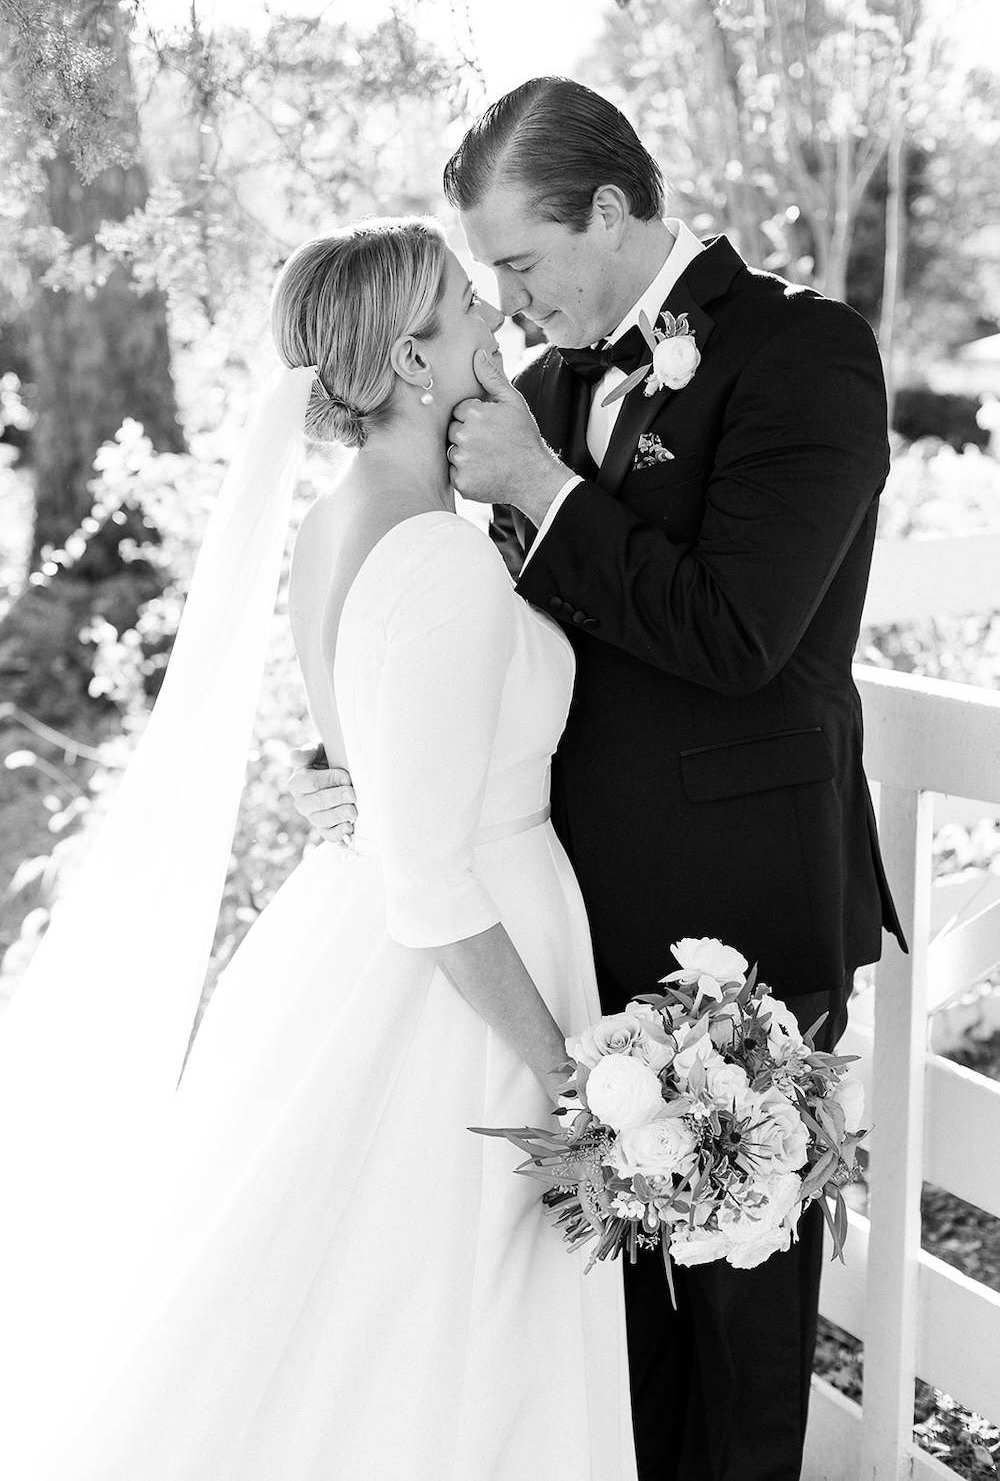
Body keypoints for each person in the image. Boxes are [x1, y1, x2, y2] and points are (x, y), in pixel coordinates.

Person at [291, 78, 906, 1481]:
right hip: (558, 937)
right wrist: (352, 767)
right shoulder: (546, 388)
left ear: (612, 212)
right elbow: (415, 601)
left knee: (741, 1333)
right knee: (599, 1345)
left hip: (741, 924)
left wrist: (544, 490)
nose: (501, 304)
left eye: (517, 262)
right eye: (485, 278)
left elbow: (746, 634)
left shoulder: (806, 353)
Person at [0, 218, 637, 1480]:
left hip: (356, 944)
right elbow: (434, 878)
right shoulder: (442, 557)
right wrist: (575, 1084)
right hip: (464, 997)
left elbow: (371, 756)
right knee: (448, 1337)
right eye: (470, 307)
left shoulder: (339, 519)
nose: (498, 320)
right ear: (410, 362)